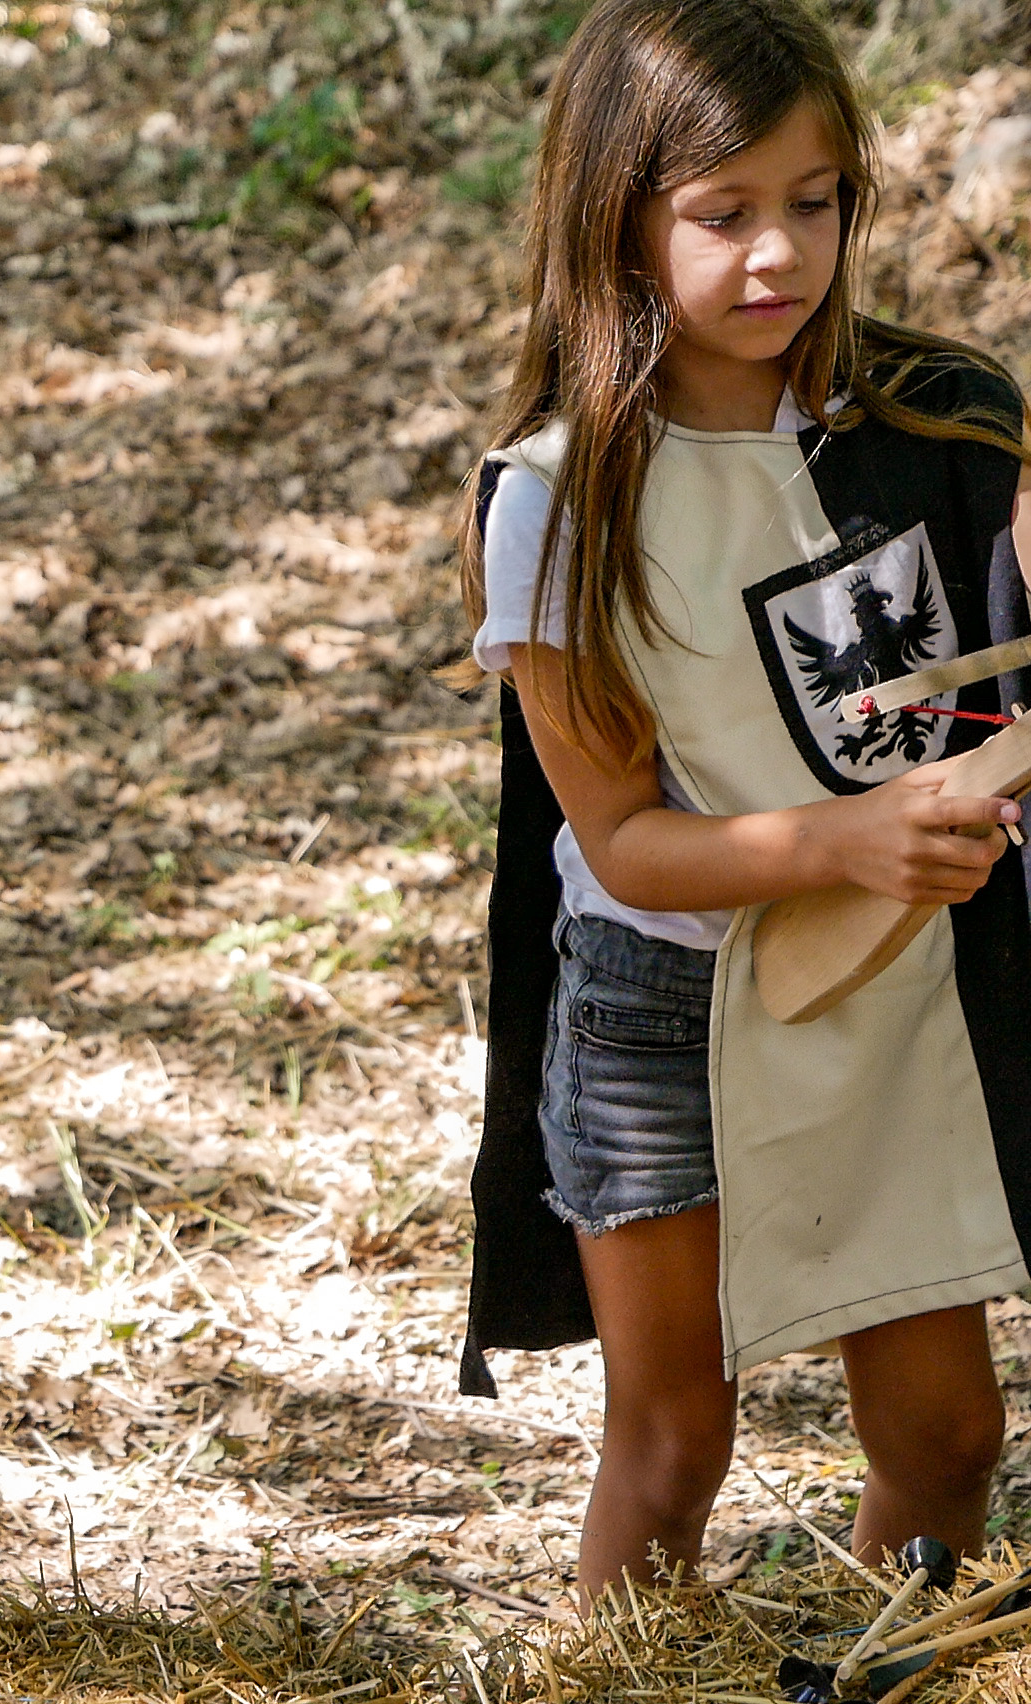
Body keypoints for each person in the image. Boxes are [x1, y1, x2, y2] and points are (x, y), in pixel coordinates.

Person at [454, 0, 1031, 1606]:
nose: (779, 253)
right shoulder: (559, 500)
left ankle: (889, 1665)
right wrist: (845, 839)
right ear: (615, 218)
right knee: (673, 1442)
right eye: (722, 213)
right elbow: (622, 839)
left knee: (947, 1436)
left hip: (891, 985)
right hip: (663, 1005)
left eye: (814, 201)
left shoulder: (934, 418)